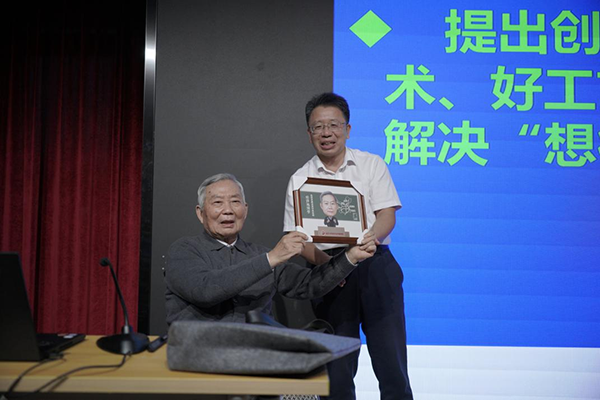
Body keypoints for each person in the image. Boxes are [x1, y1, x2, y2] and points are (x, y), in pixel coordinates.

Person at [283, 93, 413, 400]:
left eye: (334, 125)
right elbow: (297, 239)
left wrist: (371, 238)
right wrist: (331, 267)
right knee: (337, 370)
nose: (326, 133)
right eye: (318, 127)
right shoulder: (300, 179)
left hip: (375, 264)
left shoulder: (370, 164)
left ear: (348, 129)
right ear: (309, 134)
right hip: (329, 271)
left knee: (392, 362)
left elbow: (387, 214)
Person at [164, 173, 376, 326]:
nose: (228, 210)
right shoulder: (184, 251)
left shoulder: (258, 254)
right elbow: (205, 290)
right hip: (199, 355)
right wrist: (271, 259)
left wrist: (350, 257)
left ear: (245, 210)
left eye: (235, 202)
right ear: (200, 213)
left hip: (255, 356)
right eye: (217, 202)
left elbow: (309, 284)